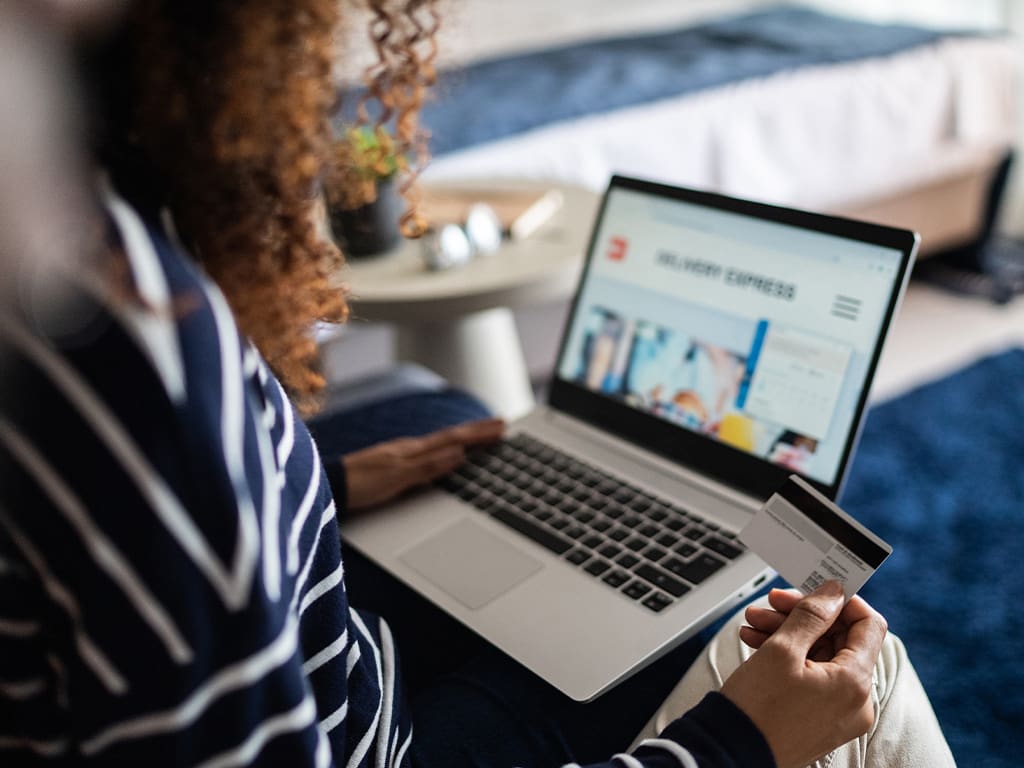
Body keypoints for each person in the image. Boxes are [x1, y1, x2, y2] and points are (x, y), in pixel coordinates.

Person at [0, 1, 956, 766]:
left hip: (330, 651)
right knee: (835, 661)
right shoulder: (124, 334)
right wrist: (736, 743)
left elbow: (135, 557)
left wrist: (311, 495)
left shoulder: (82, 276)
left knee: (455, 420)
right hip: (389, 742)